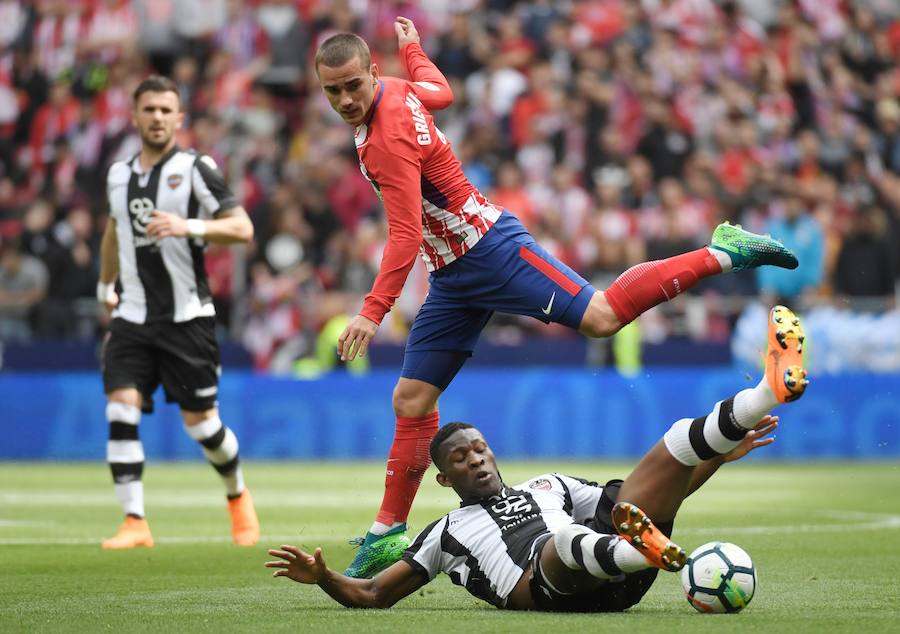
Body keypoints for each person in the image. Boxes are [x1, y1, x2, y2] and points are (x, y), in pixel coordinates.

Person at [314, 17, 800, 578]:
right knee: (412, 399)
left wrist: (372, 312)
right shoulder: (397, 89)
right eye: (334, 91)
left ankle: (722, 251)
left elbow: (401, 232)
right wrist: (415, 51)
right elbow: (442, 92)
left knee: (601, 317)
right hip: (451, 274)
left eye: (353, 85)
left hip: (491, 249)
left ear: (372, 74)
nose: (346, 99)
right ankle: (387, 533)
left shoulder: (386, 137)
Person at [267, 305, 807, 610]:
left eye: (479, 448)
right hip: (552, 586)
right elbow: (373, 595)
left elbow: (650, 497)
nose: (475, 460)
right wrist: (325, 577)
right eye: (460, 458)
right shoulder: (446, 532)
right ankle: (643, 552)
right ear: (443, 478)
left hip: (615, 570)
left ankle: (765, 389)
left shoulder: (549, 486)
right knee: (567, 541)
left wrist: (713, 459)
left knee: (671, 447)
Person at [96, 75, 259, 549]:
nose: (158, 118)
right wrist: (107, 284)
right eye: (149, 110)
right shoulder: (117, 175)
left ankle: (237, 495)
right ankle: (135, 522)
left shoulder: (194, 168)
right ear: (135, 116)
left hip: (187, 318)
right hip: (131, 315)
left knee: (203, 426)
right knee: (120, 406)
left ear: (179, 118)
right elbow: (112, 230)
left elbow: (242, 228)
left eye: (167, 110)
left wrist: (186, 225)